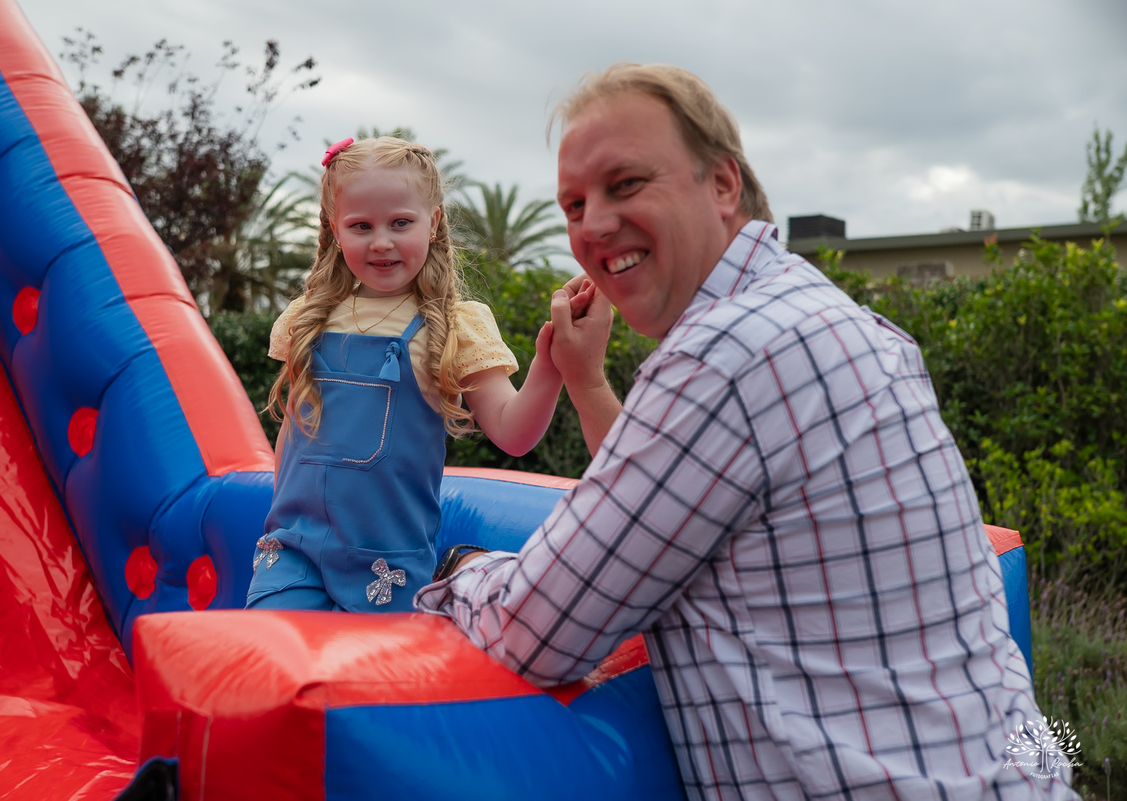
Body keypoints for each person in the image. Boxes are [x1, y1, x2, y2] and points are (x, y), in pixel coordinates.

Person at [416, 64, 1076, 800]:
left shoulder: (725, 355)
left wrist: (459, 567)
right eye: (573, 202)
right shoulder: (842, 322)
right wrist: (587, 379)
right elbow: (654, 505)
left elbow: (535, 630)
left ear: (723, 185)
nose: (592, 224)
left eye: (626, 184)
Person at [247, 136, 566, 613]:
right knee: (274, 662)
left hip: (387, 561)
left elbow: (513, 433)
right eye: (361, 226)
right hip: (292, 550)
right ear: (335, 230)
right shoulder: (307, 318)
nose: (381, 241)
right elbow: (294, 432)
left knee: (370, 683)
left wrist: (551, 365)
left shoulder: (455, 324)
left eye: (400, 223)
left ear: (433, 223)